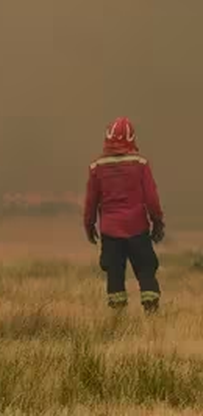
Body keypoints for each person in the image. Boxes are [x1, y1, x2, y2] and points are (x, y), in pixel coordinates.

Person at [83, 116, 165, 313]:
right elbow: (152, 199)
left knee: (114, 274)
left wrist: (89, 225)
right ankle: (151, 314)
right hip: (138, 228)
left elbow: (91, 201)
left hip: (110, 231)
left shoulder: (97, 167)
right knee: (146, 270)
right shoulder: (140, 163)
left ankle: (118, 320)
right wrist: (157, 222)